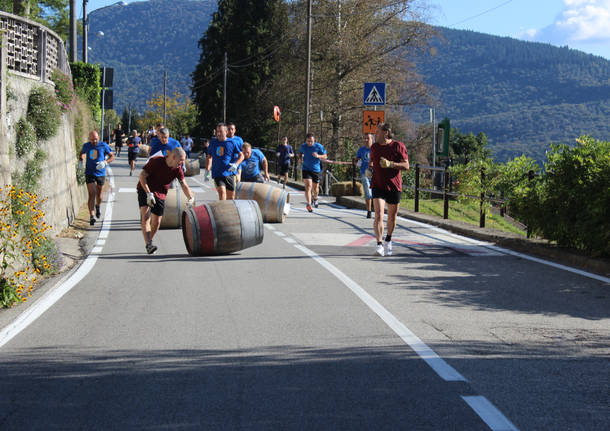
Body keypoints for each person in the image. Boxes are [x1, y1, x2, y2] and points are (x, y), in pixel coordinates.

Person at [137, 147, 195, 254]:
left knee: (157, 222)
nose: (182, 163)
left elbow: (184, 185)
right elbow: (142, 176)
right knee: (145, 216)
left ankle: (149, 241)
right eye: (181, 160)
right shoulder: (156, 161)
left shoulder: (178, 169)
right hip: (145, 189)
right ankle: (149, 245)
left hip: (161, 193)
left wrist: (190, 197)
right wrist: (148, 193)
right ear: (173, 157)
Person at [370, 123, 409, 257]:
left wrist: (390, 164)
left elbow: (406, 166)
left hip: (394, 185)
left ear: (386, 133)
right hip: (378, 185)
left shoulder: (398, 146)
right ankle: (379, 244)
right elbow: (372, 162)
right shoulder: (374, 147)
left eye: (378, 132)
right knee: (379, 215)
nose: (375, 135)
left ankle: (388, 240)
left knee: (392, 217)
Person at [79, 130, 115, 226]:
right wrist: (80, 160)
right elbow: (81, 153)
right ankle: (91, 216)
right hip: (89, 172)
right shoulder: (86, 146)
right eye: (92, 139)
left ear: (98, 138)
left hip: (100, 173)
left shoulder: (103, 145)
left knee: (99, 195)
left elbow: (112, 156)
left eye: (96, 139)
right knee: (92, 193)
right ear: (89, 139)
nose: (94, 141)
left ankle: (98, 206)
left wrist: (105, 162)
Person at [205, 122, 244, 200]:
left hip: (230, 173)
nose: (218, 133)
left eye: (221, 131)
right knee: (222, 193)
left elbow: (241, 155)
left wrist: (236, 165)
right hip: (218, 173)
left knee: (231, 197)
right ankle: (222, 212)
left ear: (226, 132)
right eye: (217, 131)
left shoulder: (232, 142)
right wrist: (207, 171)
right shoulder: (213, 143)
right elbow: (209, 157)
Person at [299, 133, 327, 212]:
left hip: (316, 170)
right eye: (308, 141)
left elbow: (325, 156)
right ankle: (309, 204)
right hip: (306, 169)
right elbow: (300, 153)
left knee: (315, 188)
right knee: (308, 187)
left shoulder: (318, 146)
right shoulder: (303, 146)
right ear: (306, 141)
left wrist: (318, 156)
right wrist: (300, 158)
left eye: (311, 141)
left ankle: (315, 198)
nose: (310, 143)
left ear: (314, 140)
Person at [354, 133, 374, 218]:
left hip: (375, 173)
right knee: (367, 192)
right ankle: (369, 211)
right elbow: (355, 160)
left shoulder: (376, 149)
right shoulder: (361, 150)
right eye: (365, 138)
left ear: (372, 139)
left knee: (375, 192)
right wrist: (358, 163)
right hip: (364, 172)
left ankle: (376, 209)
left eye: (368, 138)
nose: (366, 140)